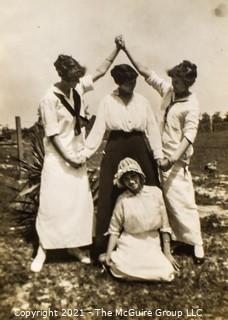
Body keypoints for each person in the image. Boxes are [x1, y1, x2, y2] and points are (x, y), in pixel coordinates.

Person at [31, 45, 121, 272]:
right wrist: (68, 159)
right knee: (53, 203)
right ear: (62, 75)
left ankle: (75, 247)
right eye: (72, 79)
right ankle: (44, 248)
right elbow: (52, 136)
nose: (75, 83)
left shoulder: (77, 87)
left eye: (77, 78)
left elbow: (99, 72)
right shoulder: (49, 99)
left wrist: (116, 49)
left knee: (78, 204)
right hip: (57, 157)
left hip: (77, 155)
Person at [116, 36, 204, 263]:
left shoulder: (192, 105)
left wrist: (173, 159)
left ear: (188, 83)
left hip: (176, 160)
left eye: (178, 82)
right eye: (173, 80)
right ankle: (177, 239)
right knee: (166, 200)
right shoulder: (168, 92)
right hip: (159, 154)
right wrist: (126, 49)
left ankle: (197, 244)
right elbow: (146, 73)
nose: (173, 84)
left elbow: (189, 137)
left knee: (183, 200)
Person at [80, 63, 163, 257]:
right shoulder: (108, 101)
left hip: (139, 146)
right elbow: (98, 129)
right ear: (118, 83)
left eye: (133, 81)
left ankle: (150, 237)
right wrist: (85, 154)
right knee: (111, 191)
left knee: (148, 186)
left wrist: (157, 154)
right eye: (127, 83)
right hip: (116, 146)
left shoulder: (142, 101)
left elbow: (151, 128)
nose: (131, 86)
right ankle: (106, 244)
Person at [100, 157, 179, 281]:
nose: (131, 181)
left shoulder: (155, 193)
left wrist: (167, 253)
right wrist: (109, 253)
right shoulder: (122, 199)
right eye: (126, 179)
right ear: (122, 182)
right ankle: (113, 258)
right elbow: (114, 230)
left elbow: (165, 226)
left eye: (133, 176)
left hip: (151, 242)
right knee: (119, 266)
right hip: (130, 242)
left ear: (140, 175)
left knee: (166, 273)